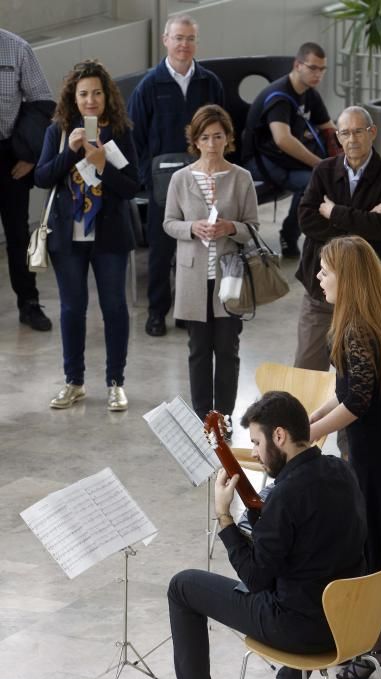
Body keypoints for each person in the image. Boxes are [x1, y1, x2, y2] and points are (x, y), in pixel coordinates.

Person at [168, 390, 367, 679]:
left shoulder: (285, 496)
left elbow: (256, 579)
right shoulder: (342, 470)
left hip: (301, 629)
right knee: (311, 579)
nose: (256, 454)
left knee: (182, 587)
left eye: (257, 443)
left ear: (279, 436)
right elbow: (303, 540)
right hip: (350, 621)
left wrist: (224, 517)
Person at [309, 235, 381, 679]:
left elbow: (357, 403)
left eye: (325, 270)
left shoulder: (357, 327)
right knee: (366, 543)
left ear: (348, 278)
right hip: (373, 441)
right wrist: (309, 421)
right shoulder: (355, 320)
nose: (318, 277)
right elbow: (343, 394)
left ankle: (376, 647)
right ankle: (365, 642)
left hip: (380, 448)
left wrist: (311, 434)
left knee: (380, 548)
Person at [35, 60, 139, 411]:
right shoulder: (59, 131)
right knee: (71, 309)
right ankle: (74, 382)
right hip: (68, 237)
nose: (90, 100)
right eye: (83, 94)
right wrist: (70, 153)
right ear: (73, 98)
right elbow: (42, 177)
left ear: (107, 96)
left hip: (109, 235)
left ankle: (116, 382)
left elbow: (131, 186)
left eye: (97, 93)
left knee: (114, 308)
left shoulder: (121, 132)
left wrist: (100, 163)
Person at [128, 13, 224, 338]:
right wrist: (146, 177)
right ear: (165, 40)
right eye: (178, 38)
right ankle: (157, 312)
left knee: (195, 250)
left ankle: (188, 311)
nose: (184, 44)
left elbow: (222, 130)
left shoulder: (209, 83)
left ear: (197, 42)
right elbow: (134, 138)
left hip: (202, 179)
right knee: (162, 250)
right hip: (163, 184)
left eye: (190, 38)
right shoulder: (149, 86)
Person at [164, 105, 258, 421]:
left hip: (229, 276)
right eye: (205, 137)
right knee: (198, 349)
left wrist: (230, 227)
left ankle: (225, 414)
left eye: (218, 136)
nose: (212, 144)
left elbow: (253, 228)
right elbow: (168, 223)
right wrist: (193, 227)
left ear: (228, 138)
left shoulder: (241, 178)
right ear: (196, 140)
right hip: (193, 277)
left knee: (228, 349)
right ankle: (205, 416)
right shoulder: (179, 178)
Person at [295, 105, 381, 371]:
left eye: (359, 131)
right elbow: (307, 221)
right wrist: (363, 219)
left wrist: (334, 212)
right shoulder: (323, 171)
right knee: (307, 370)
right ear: (338, 137)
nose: (352, 139)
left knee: (363, 376)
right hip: (319, 289)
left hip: (367, 293)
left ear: (372, 132)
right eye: (345, 133)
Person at [242, 42, 338, 258]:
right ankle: (290, 235)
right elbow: (282, 140)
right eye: (313, 68)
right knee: (315, 181)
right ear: (297, 65)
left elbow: (328, 128)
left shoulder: (309, 93)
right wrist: (319, 164)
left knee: (327, 177)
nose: (318, 75)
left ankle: (317, 235)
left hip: (284, 160)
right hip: (261, 163)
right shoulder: (279, 96)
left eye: (322, 69)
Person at [0, 28, 55, 331]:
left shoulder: (17, 48)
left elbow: (42, 103)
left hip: (11, 156)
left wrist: (31, 154)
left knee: (20, 234)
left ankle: (30, 303)